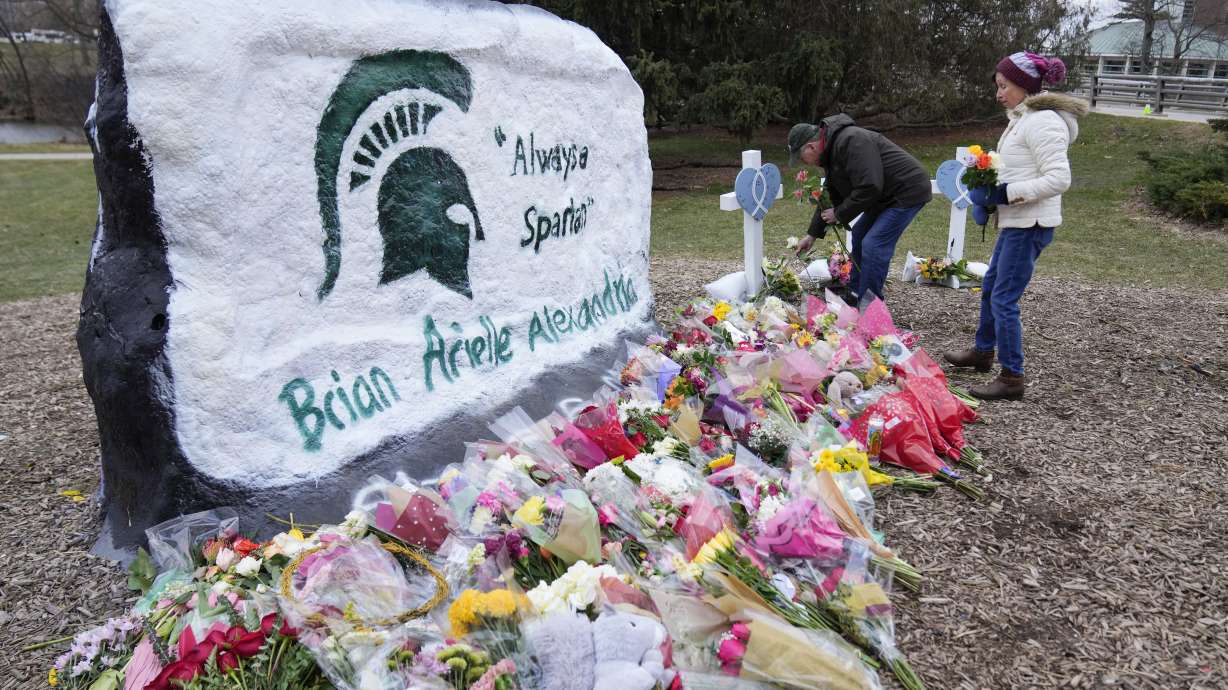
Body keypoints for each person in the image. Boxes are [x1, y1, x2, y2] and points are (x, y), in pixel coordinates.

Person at [944, 52, 1086, 400]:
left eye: (1004, 86)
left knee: (1004, 297)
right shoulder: (1023, 118)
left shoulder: (1044, 122)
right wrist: (990, 191)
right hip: (1017, 220)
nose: (998, 93)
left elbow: (1059, 179)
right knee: (992, 286)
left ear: (1024, 85)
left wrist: (1007, 193)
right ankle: (982, 352)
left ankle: (1012, 377)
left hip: (1031, 223)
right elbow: (1018, 168)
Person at [787, 115, 931, 306]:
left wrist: (838, 213)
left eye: (801, 158)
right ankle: (855, 294)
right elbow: (831, 194)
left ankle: (870, 306)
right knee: (860, 233)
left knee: (874, 244)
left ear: (812, 146)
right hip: (885, 196)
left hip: (906, 190)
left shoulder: (851, 141)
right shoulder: (833, 149)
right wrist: (812, 235)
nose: (805, 163)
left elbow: (870, 186)